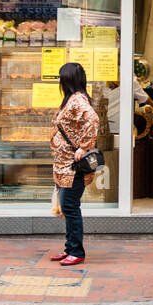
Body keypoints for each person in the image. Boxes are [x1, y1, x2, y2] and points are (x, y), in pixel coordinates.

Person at [50, 62, 99, 267]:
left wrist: (84, 147)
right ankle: (70, 247)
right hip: (64, 165)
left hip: (72, 166)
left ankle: (76, 251)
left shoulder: (77, 99)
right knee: (68, 208)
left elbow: (93, 120)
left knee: (71, 208)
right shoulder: (72, 99)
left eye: (62, 78)